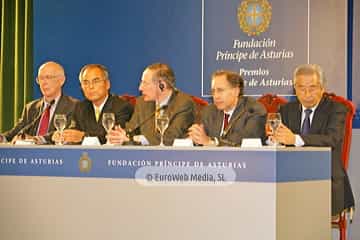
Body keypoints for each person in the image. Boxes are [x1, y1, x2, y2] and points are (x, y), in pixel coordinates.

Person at [270, 64, 354, 216]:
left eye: (313, 88)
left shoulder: (337, 109)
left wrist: (295, 139)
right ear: (295, 89)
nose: (307, 93)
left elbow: (331, 139)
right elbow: (278, 140)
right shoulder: (286, 110)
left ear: (322, 88)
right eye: (301, 88)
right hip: (290, 180)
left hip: (326, 180)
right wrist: (274, 139)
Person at [107, 63, 196, 145]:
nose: (140, 88)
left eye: (145, 83)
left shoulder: (183, 104)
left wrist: (134, 139)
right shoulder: (142, 102)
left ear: (162, 86)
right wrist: (119, 136)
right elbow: (131, 129)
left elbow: (170, 138)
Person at [0, 61, 78, 144]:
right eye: (41, 78)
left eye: (48, 77)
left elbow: (66, 133)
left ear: (61, 80)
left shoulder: (74, 106)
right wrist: (2, 138)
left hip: (57, 155)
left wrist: (36, 139)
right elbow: (16, 132)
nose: (44, 83)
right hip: (31, 156)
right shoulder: (31, 107)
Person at [53, 64, 133, 144]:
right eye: (85, 83)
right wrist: (65, 136)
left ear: (107, 84)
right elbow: (74, 130)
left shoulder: (122, 107)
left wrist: (84, 136)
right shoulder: (80, 107)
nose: (90, 86)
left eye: (96, 81)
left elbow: (113, 136)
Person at [188, 70, 266, 146]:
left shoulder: (254, 110)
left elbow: (241, 144)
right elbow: (199, 139)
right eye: (213, 91)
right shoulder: (209, 111)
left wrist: (210, 142)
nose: (216, 96)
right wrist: (195, 138)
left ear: (236, 91)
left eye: (220, 90)